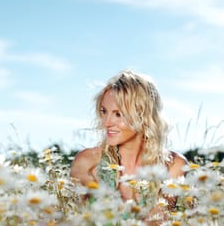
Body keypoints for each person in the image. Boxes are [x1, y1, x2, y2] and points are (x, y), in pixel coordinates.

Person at [70, 69, 187, 204]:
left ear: (143, 116)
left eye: (118, 114)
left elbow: (161, 222)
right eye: (104, 112)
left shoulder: (173, 166)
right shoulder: (87, 163)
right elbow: (71, 219)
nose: (106, 122)